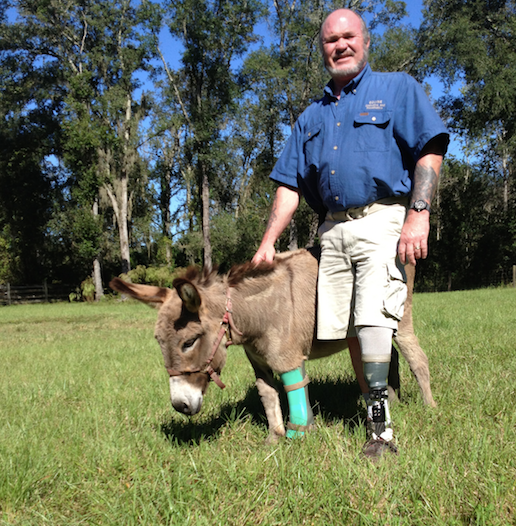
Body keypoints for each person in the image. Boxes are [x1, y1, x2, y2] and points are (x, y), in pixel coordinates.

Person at [252, 8, 449, 458]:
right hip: (332, 231)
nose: (339, 45)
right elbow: (289, 187)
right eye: (329, 40)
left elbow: (430, 148)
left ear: (364, 41)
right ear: (321, 49)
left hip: (382, 218)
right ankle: (376, 402)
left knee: (373, 320)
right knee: (347, 331)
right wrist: (267, 244)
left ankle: (380, 434)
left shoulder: (396, 89)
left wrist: (418, 213)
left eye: (348, 37)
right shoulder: (311, 117)